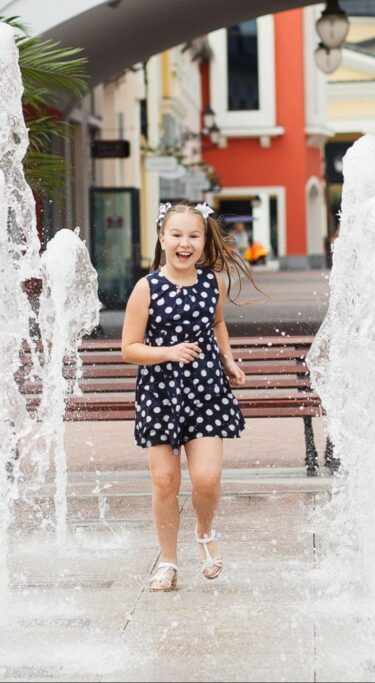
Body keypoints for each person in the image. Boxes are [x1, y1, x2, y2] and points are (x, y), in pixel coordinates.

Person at [121, 200, 255, 592]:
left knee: (207, 478)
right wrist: (167, 352)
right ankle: (168, 561)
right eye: (176, 235)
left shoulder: (213, 282)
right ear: (162, 238)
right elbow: (129, 348)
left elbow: (217, 324)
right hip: (161, 393)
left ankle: (204, 531)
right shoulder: (146, 289)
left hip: (206, 389)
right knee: (165, 481)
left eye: (193, 236)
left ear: (203, 240)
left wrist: (228, 360)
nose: (185, 243)